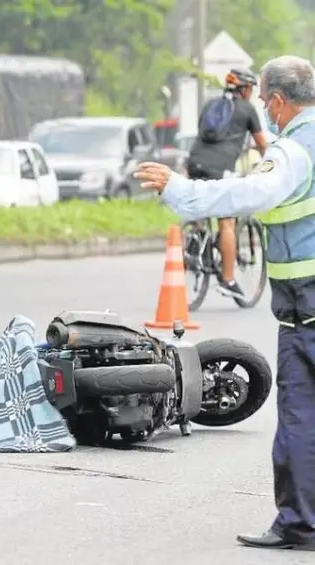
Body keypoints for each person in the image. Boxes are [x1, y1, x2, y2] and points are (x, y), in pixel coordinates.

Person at [134, 55, 315, 552]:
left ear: (277, 101)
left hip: (307, 310)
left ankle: (301, 524)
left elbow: (252, 192)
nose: (266, 112)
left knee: (301, 415)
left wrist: (180, 191)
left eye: (268, 105)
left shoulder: (296, 150)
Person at [185, 67, 268, 300]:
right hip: (221, 168)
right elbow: (261, 143)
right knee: (227, 222)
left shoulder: (211, 104)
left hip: (195, 162)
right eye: (251, 89)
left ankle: (197, 238)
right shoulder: (247, 109)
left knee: (201, 204)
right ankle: (229, 279)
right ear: (245, 89)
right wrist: (271, 166)